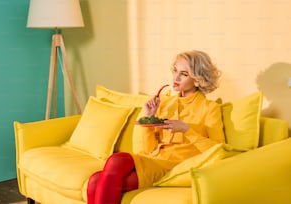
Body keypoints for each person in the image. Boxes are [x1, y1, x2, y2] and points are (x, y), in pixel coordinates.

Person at [87, 50, 225, 204]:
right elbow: (146, 149)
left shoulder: (209, 108)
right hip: (152, 161)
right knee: (95, 180)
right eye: (175, 71)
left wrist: (187, 130)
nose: (176, 77)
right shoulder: (164, 103)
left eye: (184, 74)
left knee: (113, 164)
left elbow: (219, 151)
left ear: (198, 79)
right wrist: (147, 116)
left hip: (174, 167)